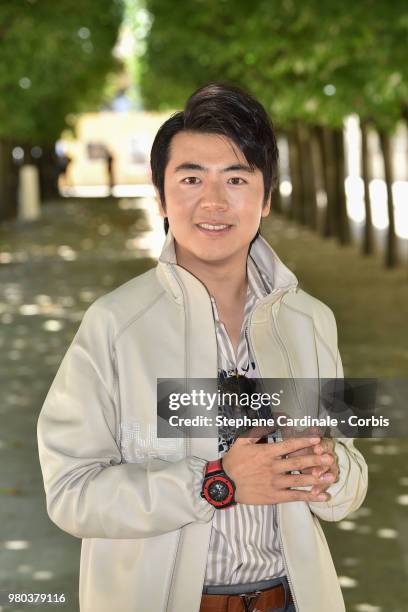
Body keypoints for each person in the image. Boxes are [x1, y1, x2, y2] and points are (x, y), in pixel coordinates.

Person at [37, 82, 368, 612]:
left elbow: (349, 479)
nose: (213, 201)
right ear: (161, 194)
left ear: (264, 197)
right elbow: (72, 492)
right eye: (191, 177)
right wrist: (217, 482)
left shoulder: (313, 323)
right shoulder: (114, 325)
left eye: (236, 178)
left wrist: (330, 469)